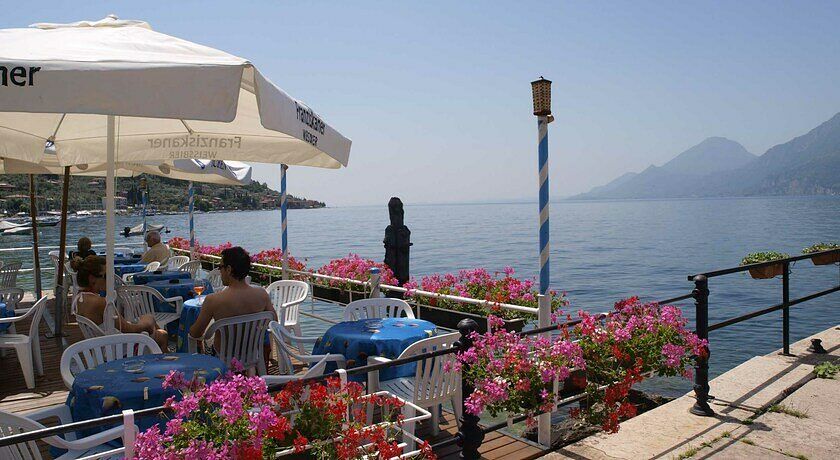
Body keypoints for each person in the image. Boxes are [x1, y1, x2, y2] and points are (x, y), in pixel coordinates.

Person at [71, 255, 168, 350]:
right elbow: (128, 329)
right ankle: (163, 357)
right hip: (120, 349)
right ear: (92, 278)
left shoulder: (78, 300)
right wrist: (147, 323)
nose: (110, 279)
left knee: (152, 326)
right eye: (106, 276)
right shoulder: (99, 302)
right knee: (162, 334)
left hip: (102, 348)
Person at [189, 246, 275, 353]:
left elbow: (195, 333)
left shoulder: (212, 300)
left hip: (222, 357)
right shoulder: (262, 295)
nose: (220, 271)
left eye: (220, 267)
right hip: (252, 354)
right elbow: (274, 321)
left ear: (229, 269)